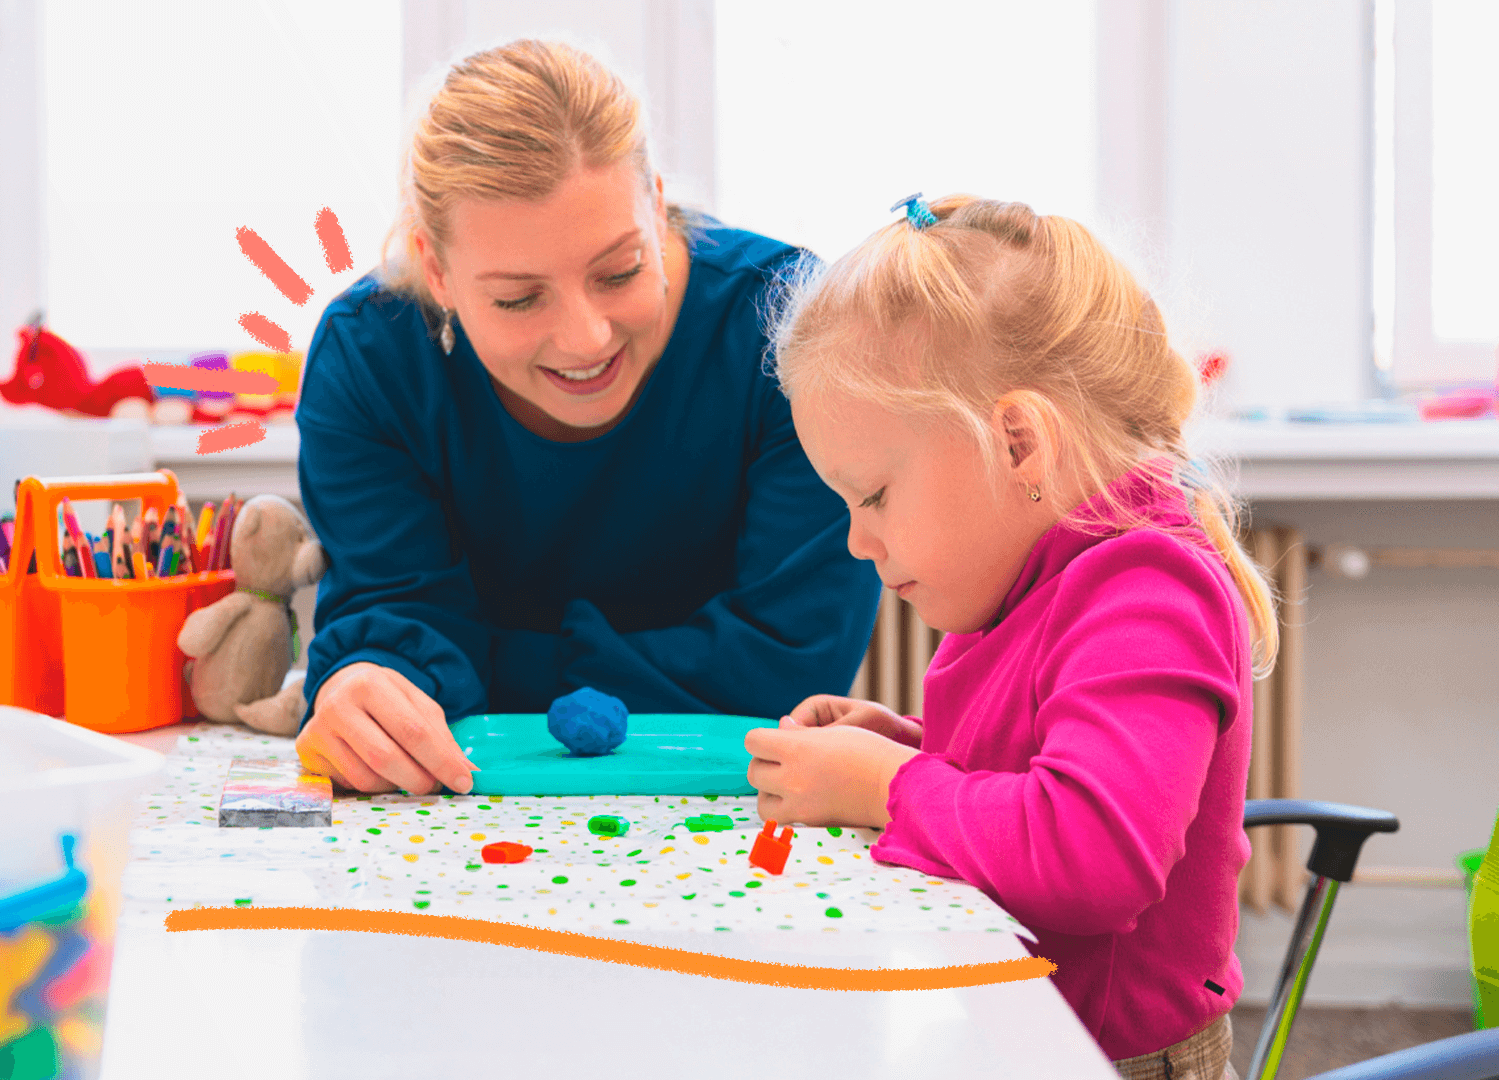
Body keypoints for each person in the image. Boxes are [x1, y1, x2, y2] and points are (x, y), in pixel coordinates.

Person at [747, 193, 1268, 1078]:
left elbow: (1093, 855)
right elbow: (1046, 769)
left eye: (872, 496)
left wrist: (893, 787)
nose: (855, 541)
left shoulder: (1147, 590)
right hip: (1017, 1035)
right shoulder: (1033, 570)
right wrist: (908, 746)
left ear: (1018, 441)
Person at [293, 39, 880, 797]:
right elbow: (392, 625)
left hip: (742, 801)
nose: (586, 339)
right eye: (517, 298)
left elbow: (790, 665)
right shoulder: (370, 361)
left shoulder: (791, 329)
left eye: (620, 270)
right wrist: (366, 688)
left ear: (657, 202)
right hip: (466, 813)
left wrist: (479, 665)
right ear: (435, 270)